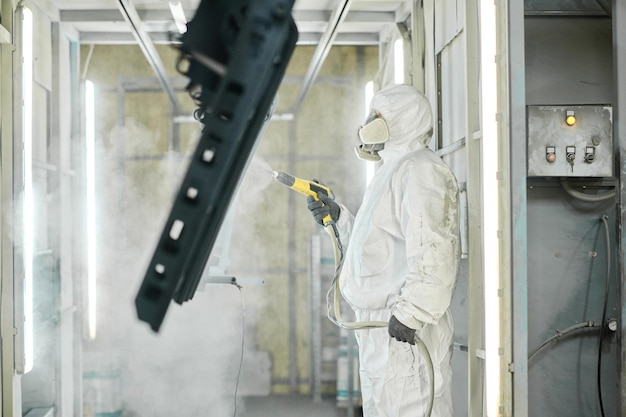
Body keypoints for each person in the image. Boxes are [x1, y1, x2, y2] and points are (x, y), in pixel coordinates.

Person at [307, 84, 460, 417]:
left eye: (378, 116)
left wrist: (413, 312)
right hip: (380, 330)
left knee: (412, 408)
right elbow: (377, 250)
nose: (369, 122)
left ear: (402, 120)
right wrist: (340, 219)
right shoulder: (390, 171)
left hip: (402, 328)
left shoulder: (421, 170)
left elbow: (434, 247)